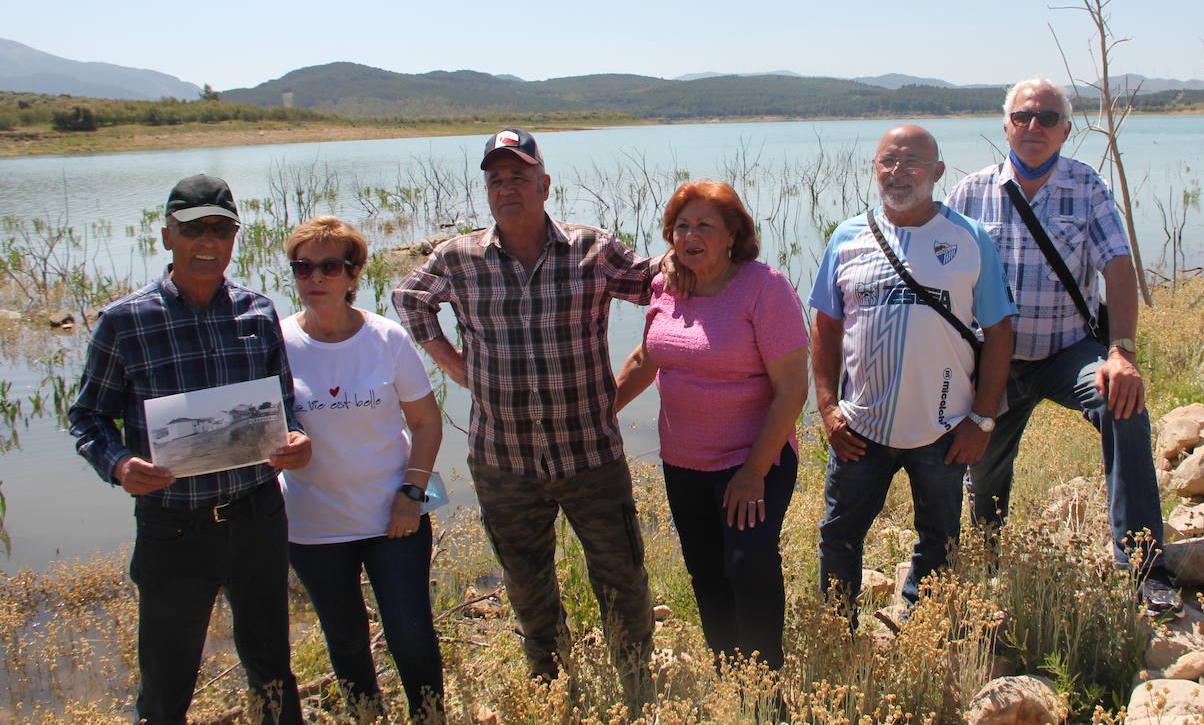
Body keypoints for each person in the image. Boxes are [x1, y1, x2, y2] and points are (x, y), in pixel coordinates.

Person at [391, 127, 657, 705]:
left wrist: (704, 239)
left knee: (622, 579)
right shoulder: (458, 258)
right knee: (527, 583)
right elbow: (409, 297)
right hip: (502, 461)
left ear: (545, 185)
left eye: (519, 176)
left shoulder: (593, 248)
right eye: (496, 179)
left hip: (590, 455)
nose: (507, 187)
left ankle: (638, 688)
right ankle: (553, 686)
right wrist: (450, 360)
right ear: (487, 191)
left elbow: (656, 287)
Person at [68, 174, 312, 725]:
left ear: (234, 238)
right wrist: (118, 463)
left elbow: (282, 401)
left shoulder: (255, 312)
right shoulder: (125, 322)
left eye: (221, 229)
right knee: (167, 679)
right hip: (174, 526)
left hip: (257, 516)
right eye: (193, 229)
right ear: (167, 236)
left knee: (272, 664)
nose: (208, 242)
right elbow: (87, 416)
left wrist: (294, 437)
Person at [945, 77, 1181, 617]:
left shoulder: (1087, 186)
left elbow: (1118, 266)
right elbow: (945, 279)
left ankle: (1143, 564)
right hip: (996, 361)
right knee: (984, 474)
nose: (1034, 127)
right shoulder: (971, 192)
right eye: (1024, 117)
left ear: (1066, 130)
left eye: (1047, 118)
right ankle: (985, 563)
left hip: (1067, 352)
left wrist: (1121, 352)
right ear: (1005, 126)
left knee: (1123, 405)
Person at [811, 125, 1016, 621]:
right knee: (839, 535)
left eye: (912, 162)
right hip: (861, 429)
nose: (898, 172)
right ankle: (839, 630)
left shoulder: (969, 238)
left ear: (938, 172)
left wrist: (983, 419)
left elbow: (1000, 333)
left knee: (940, 537)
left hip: (943, 430)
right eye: (888, 161)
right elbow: (825, 327)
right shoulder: (847, 236)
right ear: (875, 168)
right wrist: (827, 407)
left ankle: (919, 624)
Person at [615, 180, 808, 670]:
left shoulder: (765, 287)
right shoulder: (667, 286)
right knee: (705, 571)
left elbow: (792, 391)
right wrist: (598, 412)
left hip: (752, 460)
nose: (689, 235)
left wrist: (753, 472)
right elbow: (646, 357)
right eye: (681, 226)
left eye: (704, 225)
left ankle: (766, 682)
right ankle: (728, 671)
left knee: (748, 567)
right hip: (684, 462)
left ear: (732, 234)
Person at [278, 216, 445, 722]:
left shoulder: (385, 339)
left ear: (353, 275)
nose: (316, 278)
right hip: (312, 525)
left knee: (411, 633)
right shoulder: (275, 343)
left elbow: (427, 423)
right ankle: (365, 716)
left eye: (331, 266)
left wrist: (411, 495)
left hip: (391, 518)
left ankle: (430, 716)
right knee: (345, 641)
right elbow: (262, 428)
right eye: (303, 267)